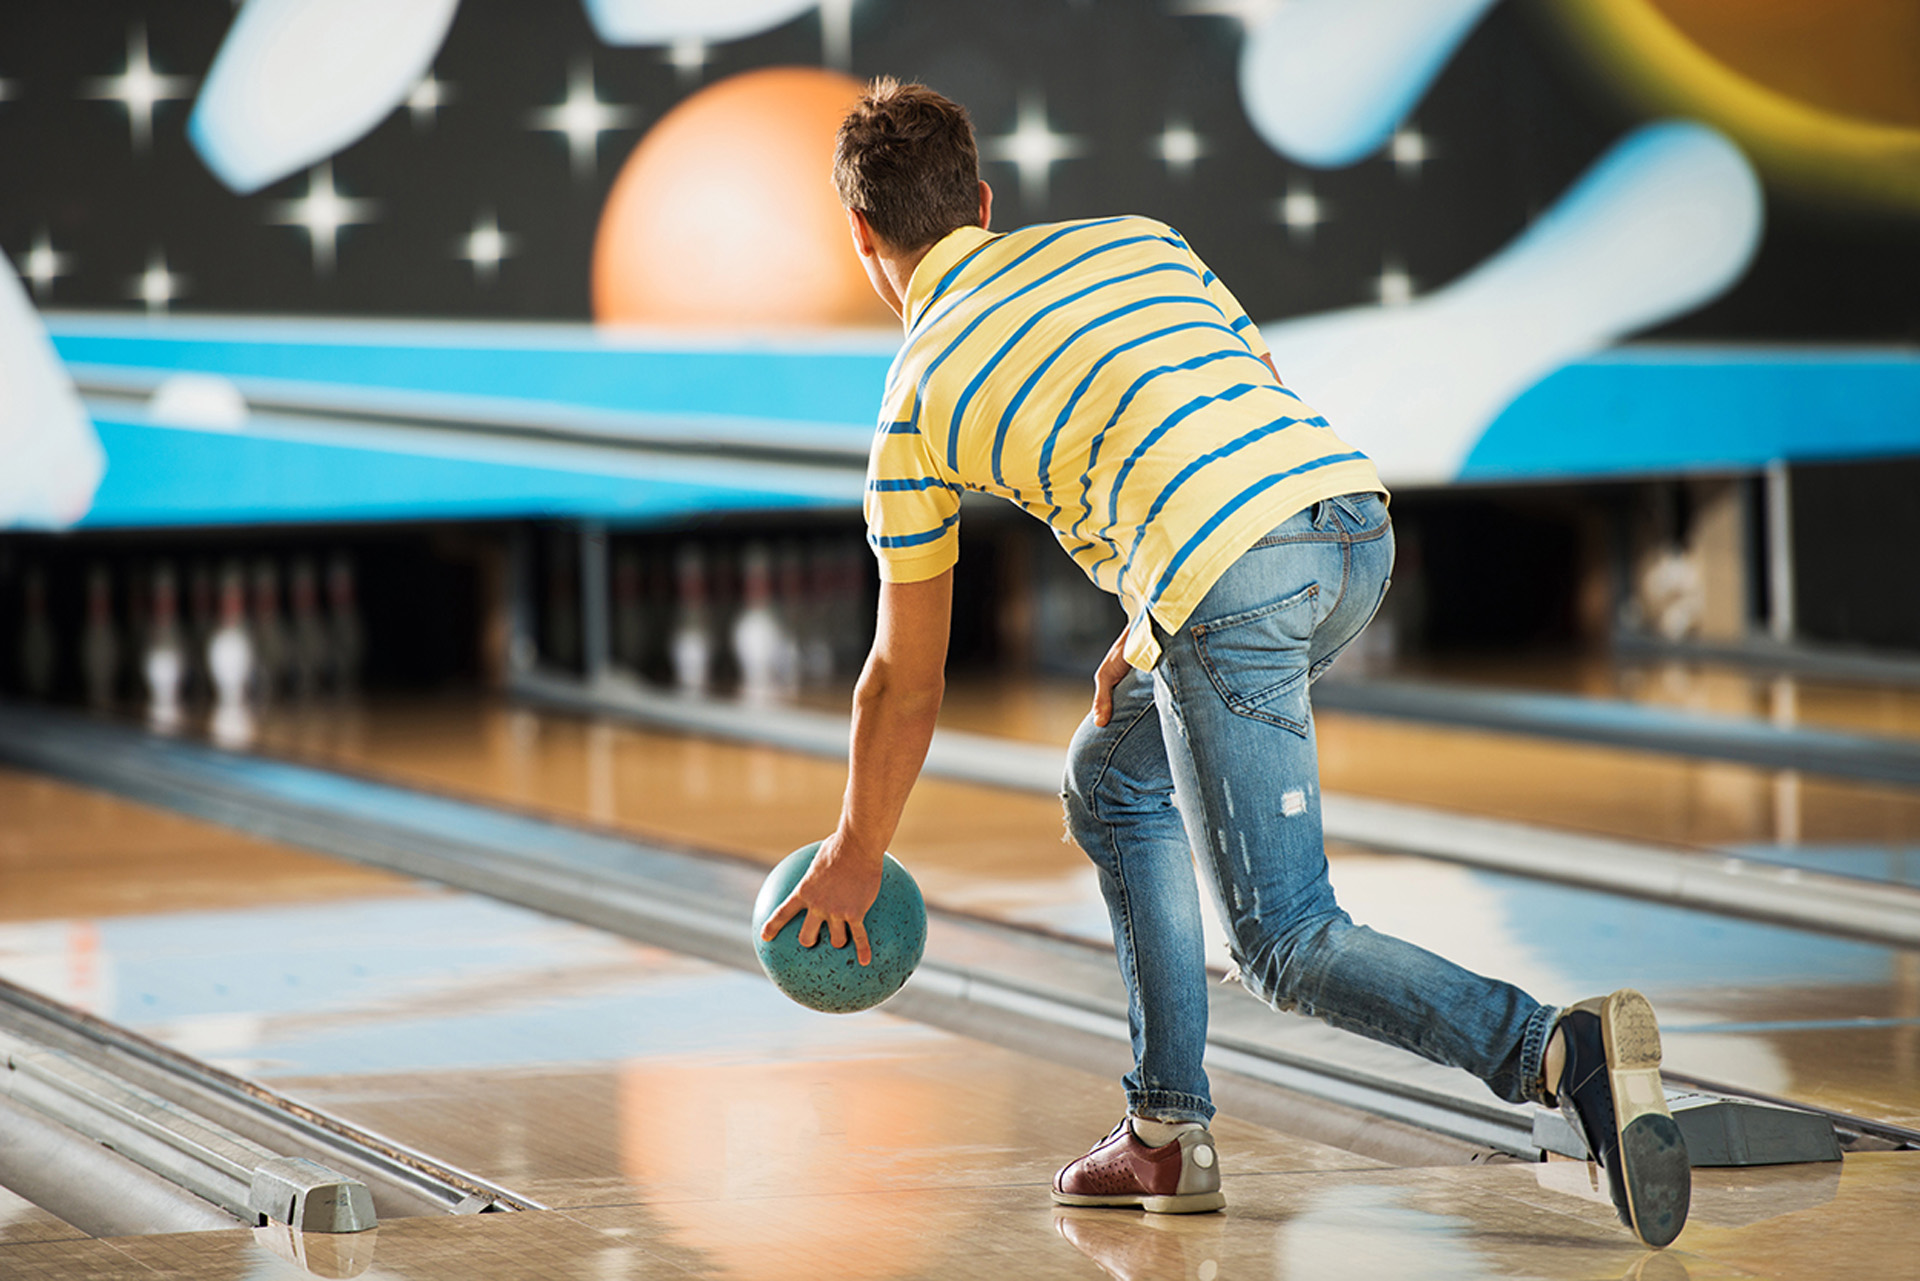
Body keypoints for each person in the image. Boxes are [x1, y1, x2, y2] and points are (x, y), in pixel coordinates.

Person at [760, 78, 1691, 1248]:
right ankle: (1164, 1133)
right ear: (985, 198)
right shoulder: (1141, 243)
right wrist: (1151, 628)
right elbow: (1226, 410)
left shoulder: (916, 400)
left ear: (860, 236)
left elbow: (907, 674)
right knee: (1113, 779)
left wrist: (856, 851)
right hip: (1350, 523)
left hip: (1229, 578)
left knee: (1286, 941)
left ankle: (1556, 1051)